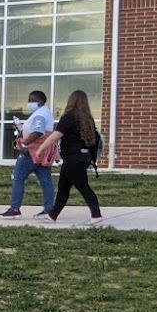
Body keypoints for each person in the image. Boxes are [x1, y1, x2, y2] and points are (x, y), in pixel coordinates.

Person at [34, 90, 104, 226]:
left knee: (84, 188)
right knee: (63, 188)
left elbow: (55, 136)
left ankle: (96, 216)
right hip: (82, 158)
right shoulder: (87, 119)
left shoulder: (69, 117)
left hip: (72, 159)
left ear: (71, 101)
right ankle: (52, 216)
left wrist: (41, 148)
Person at [1, 90, 55, 218]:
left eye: (31, 100)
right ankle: (49, 209)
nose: (29, 103)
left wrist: (25, 143)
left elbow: (38, 131)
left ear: (40, 102)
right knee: (46, 180)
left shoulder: (40, 115)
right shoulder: (45, 113)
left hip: (31, 152)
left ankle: (15, 209)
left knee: (18, 178)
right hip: (43, 153)